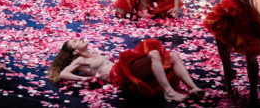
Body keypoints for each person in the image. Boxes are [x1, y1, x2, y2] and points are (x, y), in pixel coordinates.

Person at [47, 38, 204, 102]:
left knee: (174, 56)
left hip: (121, 70)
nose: (79, 38)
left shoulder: (93, 53)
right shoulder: (81, 60)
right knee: (154, 52)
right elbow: (63, 73)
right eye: (75, 41)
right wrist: (83, 79)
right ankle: (168, 92)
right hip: (118, 76)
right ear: (74, 52)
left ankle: (192, 87)